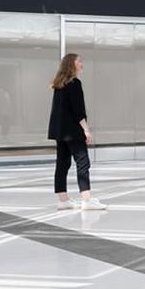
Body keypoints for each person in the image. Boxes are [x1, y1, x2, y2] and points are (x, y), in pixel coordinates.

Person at [48, 53, 104, 210]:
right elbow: (78, 111)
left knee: (62, 163)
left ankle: (63, 199)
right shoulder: (74, 83)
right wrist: (86, 129)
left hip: (60, 131)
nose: (82, 63)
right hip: (72, 131)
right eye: (79, 61)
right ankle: (86, 199)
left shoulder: (59, 84)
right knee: (83, 162)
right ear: (71, 64)